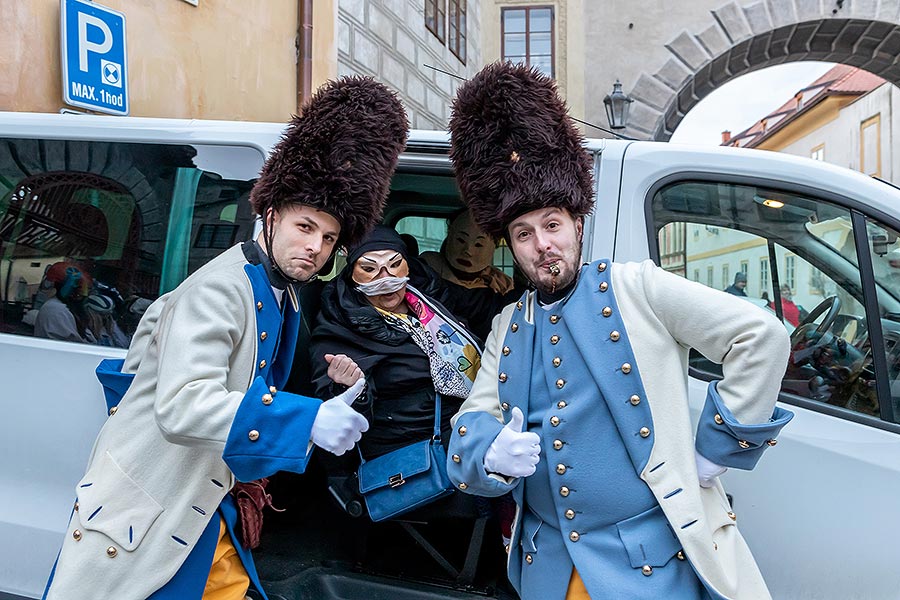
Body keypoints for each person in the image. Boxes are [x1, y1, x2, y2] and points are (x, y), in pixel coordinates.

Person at [43, 76, 408, 600]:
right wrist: (308, 419)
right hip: (153, 511)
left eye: (328, 238)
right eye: (305, 227)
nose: (316, 247)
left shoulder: (279, 289)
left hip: (203, 505)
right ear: (271, 214)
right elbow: (184, 406)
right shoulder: (218, 288)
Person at [444, 62, 794, 600]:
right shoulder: (507, 326)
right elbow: (471, 423)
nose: (543, 245)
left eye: (552, 225)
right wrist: (489, 452)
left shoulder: (639, 288)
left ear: (578, 224)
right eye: (523, 233)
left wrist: (716, 448)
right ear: (510, 246)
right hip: (549, 569)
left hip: (648, 569)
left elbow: (761, 337)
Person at [310, 225, 510, 462]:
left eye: (395, 264)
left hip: (469, 425)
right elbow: (342, 419)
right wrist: (348, 388)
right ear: (352, 274)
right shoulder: (339, 325)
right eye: (369, 268)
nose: (386, 279)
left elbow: (484, 307)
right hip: (413, 451)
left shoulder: (427, 295)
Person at [420, 209, 515, 294]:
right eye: (461, 240)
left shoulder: (502, 284)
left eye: (479, 244)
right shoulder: (428, 267)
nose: (468, 251)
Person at [33, 261, 92, 343]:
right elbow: (73, 344)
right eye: (78, 287)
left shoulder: (65, 307)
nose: (83, 294)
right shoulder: (56, 309)